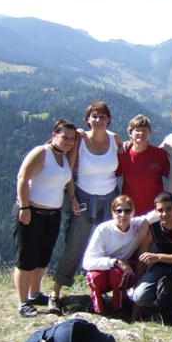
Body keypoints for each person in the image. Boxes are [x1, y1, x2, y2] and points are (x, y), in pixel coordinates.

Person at [51, 100, 122, 314]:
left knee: (111, 245)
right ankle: (55, 294)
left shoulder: (114, 139)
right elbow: (69, 172)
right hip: (83, 198)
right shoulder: (80, 141)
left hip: (111, 200)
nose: (98, 120)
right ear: (87, 119)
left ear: (108, 120)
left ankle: (111, 291)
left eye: (102, 116)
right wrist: (72, 198)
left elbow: (126, 154)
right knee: (75, 244)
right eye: (94, 116)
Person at [12, 119, 80, 317]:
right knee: (26, 259)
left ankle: (34, 294)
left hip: (52, 214)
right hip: (31, 212)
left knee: (42, 258)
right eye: (65, 137)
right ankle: (23, 302)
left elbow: (68, 179)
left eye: (72, 138)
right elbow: (22, 178)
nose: (69, 141)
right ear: (54, 134)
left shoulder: (64, 157)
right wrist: (24, 207)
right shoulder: (42, 152)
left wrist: (73, 199)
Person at [130, 192, 172, 319]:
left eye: (168, 209)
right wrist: (136, 302)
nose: (164, 214)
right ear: (156, 212)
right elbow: (142, 261)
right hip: (160, 268)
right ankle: (157, 305)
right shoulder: (152, 228)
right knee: (139, 297)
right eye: (160, 210)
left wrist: (158, 257)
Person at [82, 195, 144, 314]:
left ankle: (119, 308)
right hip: (101, 271)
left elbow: (156, 214)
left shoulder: (136, 226)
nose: (123, 215)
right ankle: (98, 307)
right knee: (95, 277)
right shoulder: (103, 229)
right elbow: (87, 263)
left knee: (118, 274)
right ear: (112, 212)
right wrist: (115, 262)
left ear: (133, 212)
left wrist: (145, 223)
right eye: (118, 211)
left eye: (127, 211)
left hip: (121, 274)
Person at [116, 114, 170, 215]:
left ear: (149, 134)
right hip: (130, 212)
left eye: (145, 130)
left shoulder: (159, 154)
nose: (141, 133)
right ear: (130, 133)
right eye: (137, 130)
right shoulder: (123, 154)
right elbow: (112, 177)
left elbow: (171, 177)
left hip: (155, 212)